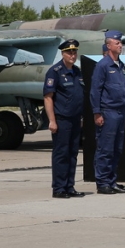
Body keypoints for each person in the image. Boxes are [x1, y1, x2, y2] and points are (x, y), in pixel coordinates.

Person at [89, 30, 125, 194]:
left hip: (120, 111)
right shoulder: (103, 65)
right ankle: (103, 182)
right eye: (117, 43)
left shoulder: (119, 65)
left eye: (120, 43)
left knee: (116, 149)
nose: (120, 45)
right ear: (108, 45)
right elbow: (95, 90)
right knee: (105, 149)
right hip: (108, 111)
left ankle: (112, 181)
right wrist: (97, 113)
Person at [43, 39, 85, 199]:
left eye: (74, 52)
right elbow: (48, 97)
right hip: (62, 119)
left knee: (73, 153)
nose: (72, 55)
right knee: (61, 153)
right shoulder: (55, 72)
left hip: (75, 119)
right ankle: (59, 188)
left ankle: (69, 186)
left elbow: (78, 96)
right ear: (63, 53)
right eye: (69, 52)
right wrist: (52, 121)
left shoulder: (77, 71)